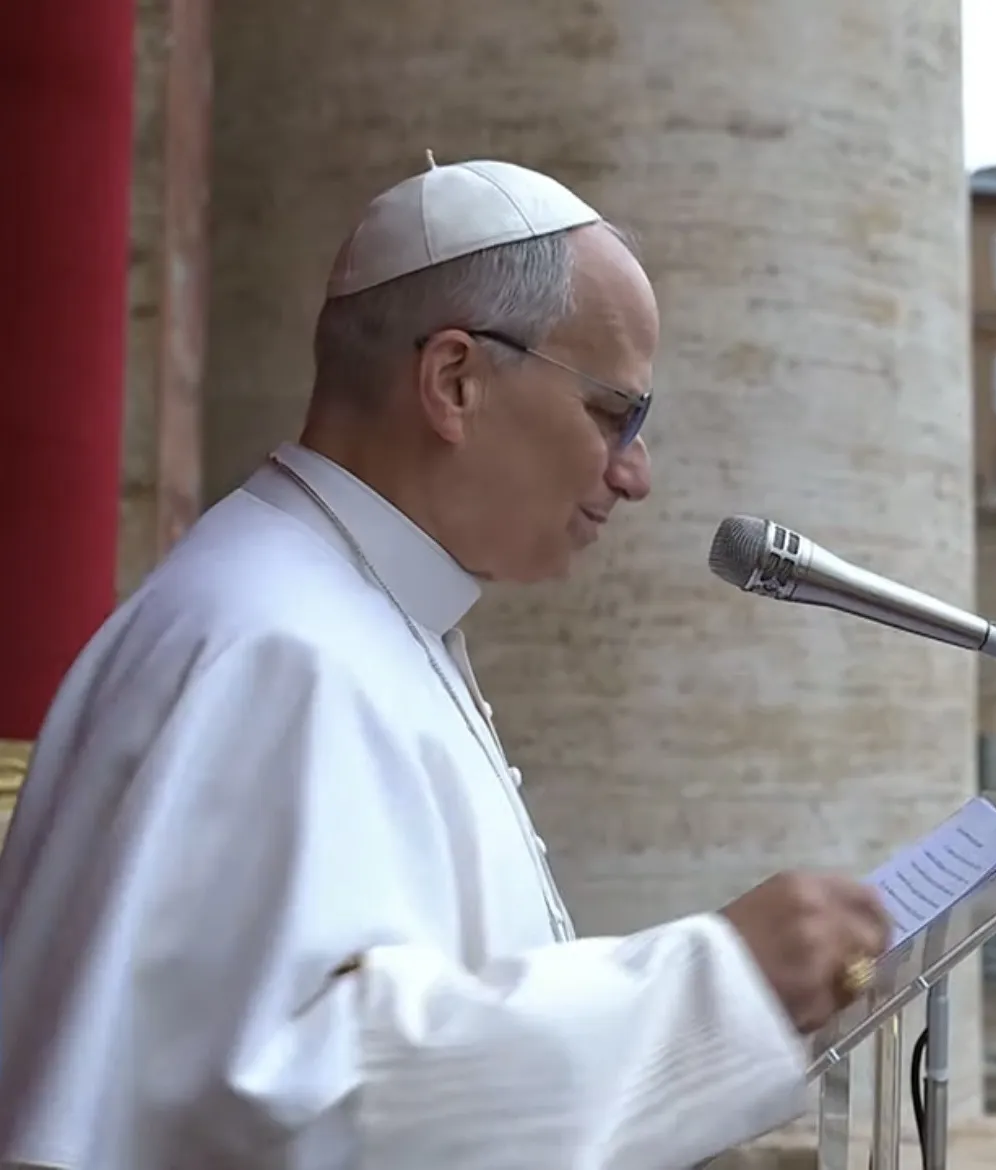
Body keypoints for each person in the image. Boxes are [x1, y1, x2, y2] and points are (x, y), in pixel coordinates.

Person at [0, 157, 892, 1169]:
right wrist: (714, 990)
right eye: (616, 415)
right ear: (455, 381)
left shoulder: (349, 612)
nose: (635, 473)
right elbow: (303, 1114)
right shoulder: (275, 648)